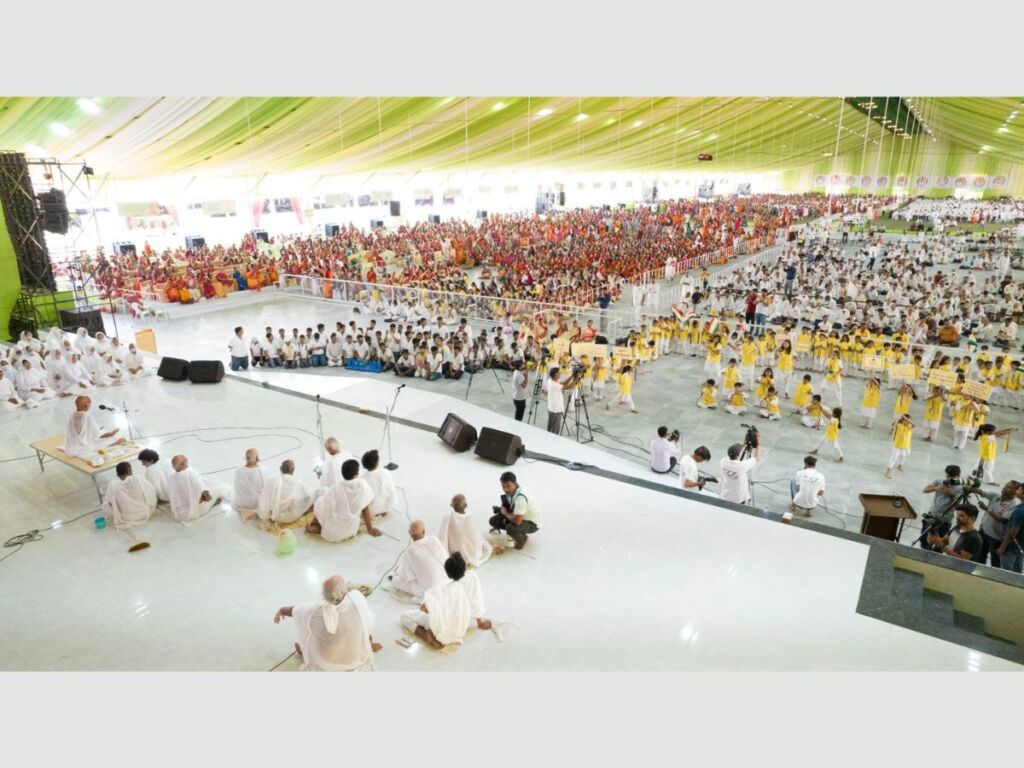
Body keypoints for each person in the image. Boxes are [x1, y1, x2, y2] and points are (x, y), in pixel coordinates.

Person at [274, 575, 381, 672]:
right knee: (365, 620)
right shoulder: (357, 598)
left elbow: (296, 610)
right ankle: (368, 646)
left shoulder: (316, 611)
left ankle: (304, 651)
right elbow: (367, 625)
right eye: (345, 584)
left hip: (328, 662)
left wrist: (282, 610)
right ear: (344, 593)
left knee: (311, 634)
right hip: (356, 658)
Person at [399, 552, 491, 650]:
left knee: (404, 616)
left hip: (441, 635)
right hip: (460, 630)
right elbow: (476, 600)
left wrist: (437, 607)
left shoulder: (443, 590)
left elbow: (423, 609)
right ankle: (435, 633)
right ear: (464, 567)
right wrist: (480, 622)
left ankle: (427, 637)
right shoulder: (472, 577)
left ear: (448, 573)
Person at [308, 459, 381, 540]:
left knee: (320, 501)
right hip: (349, 530)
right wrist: (370, 529)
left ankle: (316, 524)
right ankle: (318, 525)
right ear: (356, 473)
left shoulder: (336, 486)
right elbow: (365, 508)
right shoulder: (362, 485)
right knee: (325, 498)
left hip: (331, 530)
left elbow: (326, 504)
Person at [389, 520, 449, 600]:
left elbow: (407, 576)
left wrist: (398, 572)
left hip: (430, 589)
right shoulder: (434, 539)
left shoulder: (410, 551)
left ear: (409, 533)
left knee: (395, 581)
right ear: (424, 531)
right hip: (448, 580)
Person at [488, 471, 540, 550]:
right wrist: (501, 510)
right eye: (503, 486)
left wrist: (505, 513)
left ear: (515, 483)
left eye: (508, 486)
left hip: (532, 523)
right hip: (518, 515)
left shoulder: (521, 498)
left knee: (511, 528)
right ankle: (517, 531)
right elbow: (506, 504)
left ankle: (523, 539)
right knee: (493, 521)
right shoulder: (512, 490)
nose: (505, 489)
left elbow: (517, 521)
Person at [437, 493, 492, 567]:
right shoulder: (470, 519)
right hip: (474, 555)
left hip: (456, 555)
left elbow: (442, 538)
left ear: (452, 505)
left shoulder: (447, 518)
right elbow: (478, 539)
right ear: (466, 505)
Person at [977, 480, 1020, 568]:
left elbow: (1003, 520)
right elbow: (982, 492)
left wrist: (987, 509)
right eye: (1006, 485)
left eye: (1009, 487)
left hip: (996, 538)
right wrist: (974, 485)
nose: (1005, 488)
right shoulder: (996, 496)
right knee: (980, 556)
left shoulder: (1013, 505)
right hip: (983, 532)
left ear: (1015, 492)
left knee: (995, 562)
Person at [921, 465, 964, 552]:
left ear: (957, 477)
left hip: (945, 520)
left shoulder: (960, 488)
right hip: (932, 516)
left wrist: (951, 494)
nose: (949, 479)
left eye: (952, 477)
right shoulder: (940, 481)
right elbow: (925, 490)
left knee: (939, 546)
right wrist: (936, 488)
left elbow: (957, 507)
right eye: (948, 476)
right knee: (924, 541)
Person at [102, 461, 157, 529]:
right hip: (144, 513)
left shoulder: (113, 485)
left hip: (127, 517)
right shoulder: (138, 479)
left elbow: (108, 504)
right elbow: (151, 491)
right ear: (130, 471)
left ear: (117, 474)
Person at [167, 454, 222, 522]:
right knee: (216, 491)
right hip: (192, 513)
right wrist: (208, 499)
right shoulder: (190, 473)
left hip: (179, 514)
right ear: (183, 464)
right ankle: (211, 505)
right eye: (186, 460)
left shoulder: (170, 478)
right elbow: (204, 492)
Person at [258, 459, 313, 524]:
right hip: (291, 517)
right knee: (310, 499)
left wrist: (265, 516)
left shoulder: (272, 480)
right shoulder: (299, 482)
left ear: (281, 469)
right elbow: (308, 499)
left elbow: (264, 499)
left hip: (275, 516)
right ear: (293, 470)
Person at [718, 432, 762, 505]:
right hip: (737, 499)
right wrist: (759, 444)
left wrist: (743, 444)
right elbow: (756, 458)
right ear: (739, 454)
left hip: (725, 496)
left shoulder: (723, 461)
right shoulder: (742, 466)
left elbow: (734, 452)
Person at [545, 364, 583, 433]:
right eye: (558, 373)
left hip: (551, 408)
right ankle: (554, 439)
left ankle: (549, 437)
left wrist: (572, 376)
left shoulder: (550, 380)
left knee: (550, 425)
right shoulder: (555, 384)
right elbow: (569, 386)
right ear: (555, 375)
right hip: (556, 409)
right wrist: (577, 379)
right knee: (555, 428)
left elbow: (564, 383)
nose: (560, 373)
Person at [360, 449, 395, 518]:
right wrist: (389, 507)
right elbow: (392, 493)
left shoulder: (362, 479)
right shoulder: (385, 473)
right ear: (377, 462)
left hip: (369, 511)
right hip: (383, 510)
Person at [996, 492, 1024, 574]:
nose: (1016, 491)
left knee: (1006, 571)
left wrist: (1002, 547)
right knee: (1017, 569)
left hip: (1012, 545)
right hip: (1021, 546)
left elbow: (1013, 532)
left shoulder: (1019, 511)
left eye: (1019, 489)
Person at [232, 448, 264, 520]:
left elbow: (236, 489)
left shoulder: (238, 471)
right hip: (257, 503)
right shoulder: (264, 470)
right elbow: (267, 489)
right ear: (257, 458)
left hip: (241, 503)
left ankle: (245, 511)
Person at [884, 413, 915, 479]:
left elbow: (914, 425)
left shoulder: (909, 427)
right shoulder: (898, 425)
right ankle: (888, 472)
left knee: (904, 456)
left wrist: (907, 420)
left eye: (908, 420)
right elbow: (893, 424)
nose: (906, 421)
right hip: (897, 444)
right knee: (894, 458)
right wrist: (900, 418)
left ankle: (900, 465)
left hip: (906, 445)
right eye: (904, 420)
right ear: (902, 420)